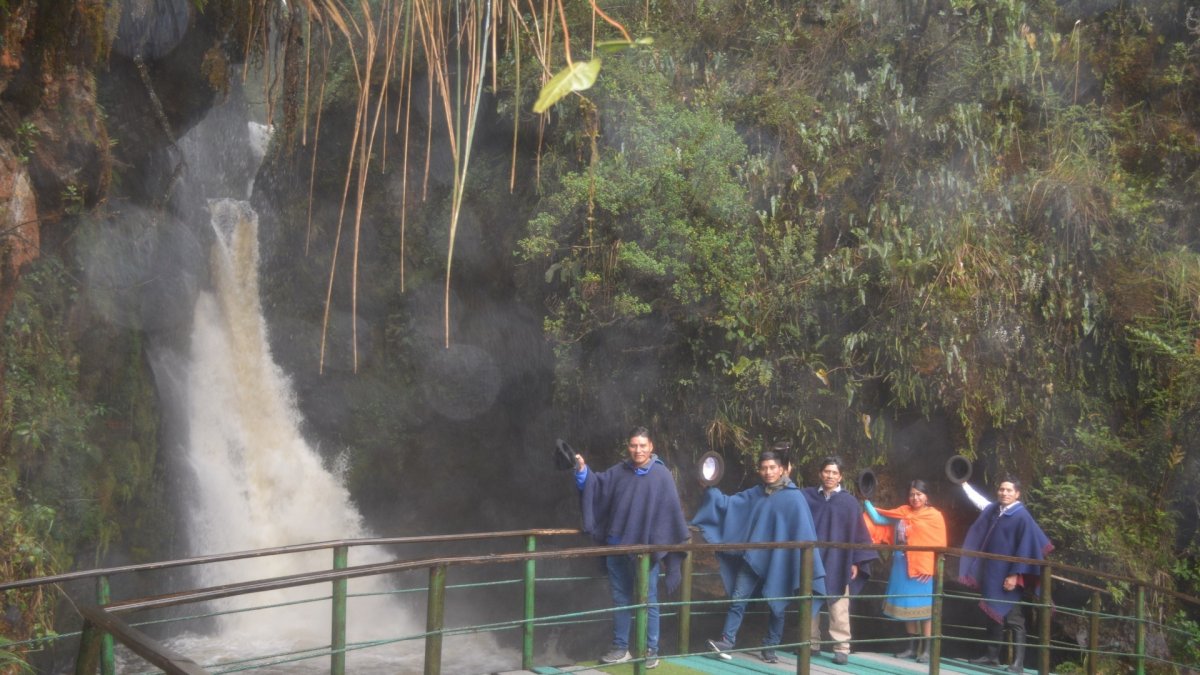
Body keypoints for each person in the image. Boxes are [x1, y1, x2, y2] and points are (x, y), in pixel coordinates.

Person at [691, 447, 827, 664]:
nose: (768, 472)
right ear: (759, 470)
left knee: (777, 602)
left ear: (782, 469)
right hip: (753, 557)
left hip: (780, 561)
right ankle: (727, 641)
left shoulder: (794, 498)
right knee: (738, 597)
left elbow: (805, 534)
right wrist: (710, 490)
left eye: (772, 467)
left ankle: (770, 646)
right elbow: (729, 505)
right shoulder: (756, 493)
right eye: (764, 468)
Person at [574, 426, 690, 668]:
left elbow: (670, 515)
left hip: (644, 552)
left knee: (648, 599)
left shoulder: (662, 476)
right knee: (620, 598)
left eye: (642, 446)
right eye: (633, 445)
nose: (638, 450)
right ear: (628, 447)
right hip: (616, 548)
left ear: (651, 447)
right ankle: (620, 647)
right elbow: (597, 485)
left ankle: (651, 650)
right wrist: (583, 471)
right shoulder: (619, 471)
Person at [958, 476, 1054, 673]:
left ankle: (1018, 663)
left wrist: (1015, 576)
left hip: (1009, 575)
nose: (1004, 493)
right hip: (993, 572)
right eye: (1002, 489)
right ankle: (992, 656)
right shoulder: (997, 510)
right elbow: (981, 503)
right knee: (992, 615)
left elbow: (1026, 548)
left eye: (1009, 490)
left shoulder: (1021, 516)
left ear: (1017, 494)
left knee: (1014, 618)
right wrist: (964, 485)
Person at [862, 479, 948, 664]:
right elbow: (878, 519)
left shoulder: (934, 516)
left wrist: (929, 565)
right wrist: (866, 500)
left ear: (927, 496)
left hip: (922, 568)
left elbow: (939, 545)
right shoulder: (903, 512)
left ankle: (925, 650)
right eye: (912, 494)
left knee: (924, 610)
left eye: (919, 494)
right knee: (908, 607)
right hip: (901, 564)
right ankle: (911, 647)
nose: (915, 498)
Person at [803, 457, 878, 666]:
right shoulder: (807, 497)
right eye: (826, 471)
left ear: (841, 477)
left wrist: (855, 562)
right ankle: (810, 644)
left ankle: (841, 647)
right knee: (810, 602)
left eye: (834, 473)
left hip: (839, 559)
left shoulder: (849, 503)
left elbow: (858, 534)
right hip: (813, 559)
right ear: (820, 473)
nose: (830, 476)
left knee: (839, 605)